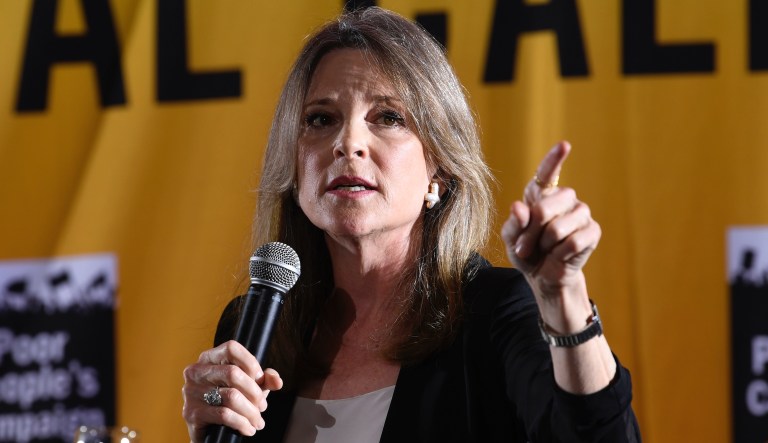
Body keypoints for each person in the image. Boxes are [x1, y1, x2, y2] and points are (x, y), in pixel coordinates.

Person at [182, 6, 640, 442]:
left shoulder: (494, 313)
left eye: (388, 117)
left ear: (437, 169)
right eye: (321, 119)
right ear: (295, 163)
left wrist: (564, 298)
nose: (348, 143)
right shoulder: (255, 325)